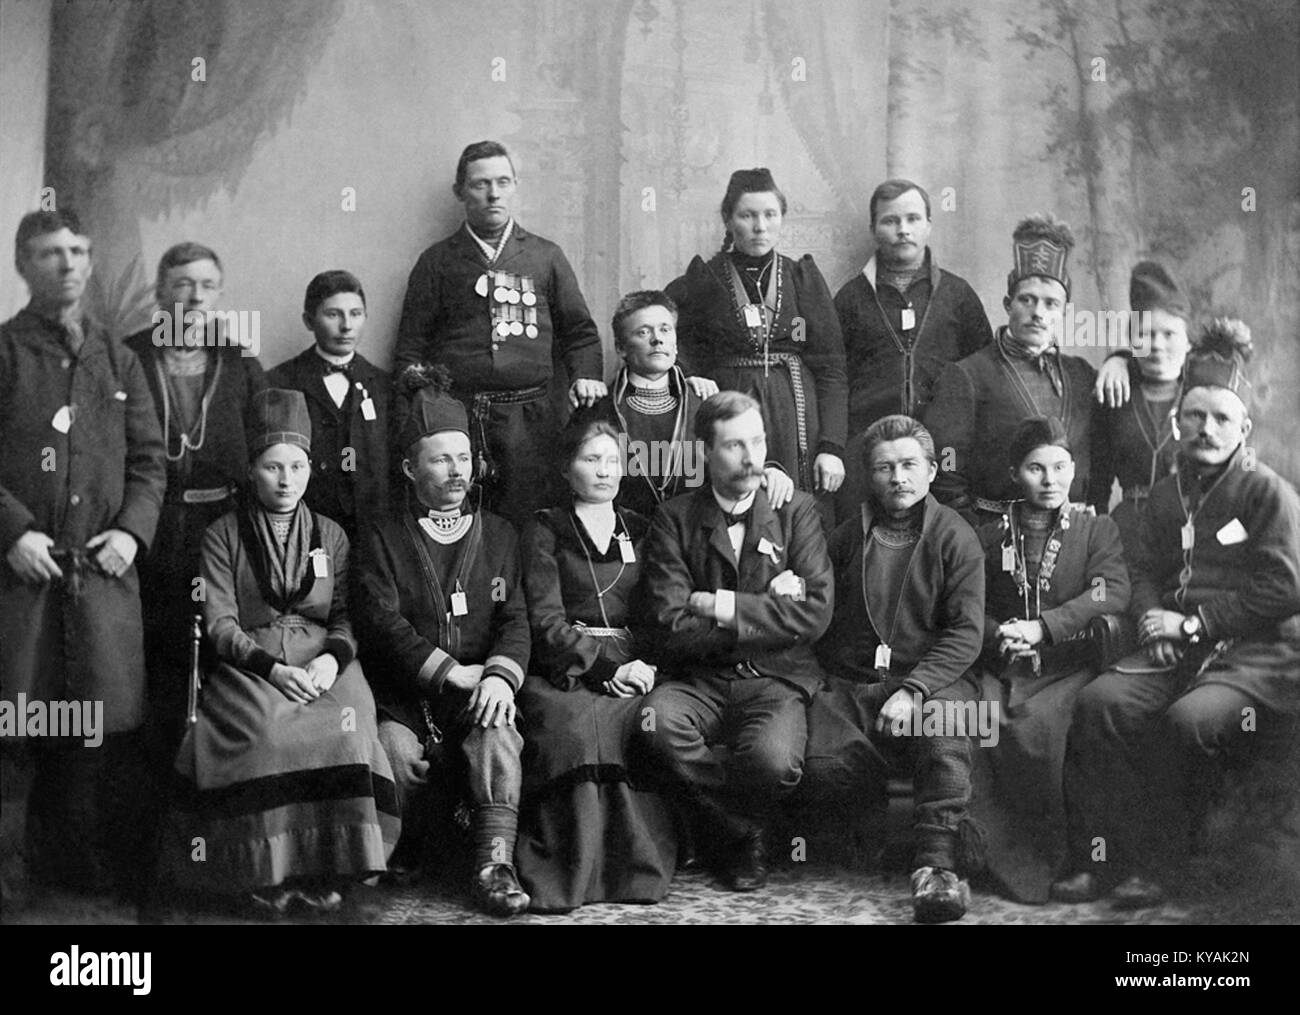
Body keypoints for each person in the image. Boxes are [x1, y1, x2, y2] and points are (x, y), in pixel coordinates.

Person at [1054, 320, 1300, 908]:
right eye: (1195, 416)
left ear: (1243, 427)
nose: (1207, 429)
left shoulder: (1266, 492)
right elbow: (1139, 572)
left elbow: (1287, 586)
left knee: (1187, 723)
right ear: (1177, 423)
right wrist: (1151, 618)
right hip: (1173, 645)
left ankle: (1159, 868)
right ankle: (1097, 861)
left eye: (1221, 418)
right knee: (1099, 705)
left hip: (1253, 655)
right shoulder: (1166, 495)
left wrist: (1194, 624)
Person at [158, 388, 398, 916]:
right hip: (252, 661)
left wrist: (332, 660)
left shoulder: (331, 535)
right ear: (252, 470)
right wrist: (273, 669)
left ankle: (329, 865)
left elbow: (343, 617)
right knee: (265, 736)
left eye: (297, 465)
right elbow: (218, 622)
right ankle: (261, 870)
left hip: (324, 660)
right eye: (272, 467)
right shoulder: (222, 534)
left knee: (351, 726)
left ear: (311, 468)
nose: (286, 479)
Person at [0, 209, 166, 898]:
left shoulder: (118, 356)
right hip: (23, 574)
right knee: (16, 722)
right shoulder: (5, 351)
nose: (66, 264)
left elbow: (151, 461)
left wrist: (130, 531)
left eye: (77, 250)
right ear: (22, 266)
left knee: (91, 728)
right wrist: (12, 532)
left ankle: (73, 863)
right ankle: (10, 866)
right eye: (48, 253)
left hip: (99, 575)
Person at [351, 365, 532, 916]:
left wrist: (499, 677)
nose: (457, 472)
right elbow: (379, 621)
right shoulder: (381, 539)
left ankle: (493, 865)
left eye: (463, 457)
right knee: (397, 755)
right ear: (409, 467)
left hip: (480, 688)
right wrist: (446, 670)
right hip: (406, 695)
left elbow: (516, 620)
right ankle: (411, 850)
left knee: (498, 736)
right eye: (440, 459)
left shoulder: (500, 534)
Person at [635, 391, 833, 891]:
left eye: (758, 442)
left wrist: (720, 604)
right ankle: (738, 835)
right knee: (654, 726)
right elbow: (671, 626)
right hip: (698, 679)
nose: (751, 458)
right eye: (734, 446)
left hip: (775, 678)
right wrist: (768, 606)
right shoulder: (674, 517)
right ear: (704, 451)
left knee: (772, 761)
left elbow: (814, 615)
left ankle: (712, 831)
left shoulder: (798, 512)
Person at [805, 414, 985, 922]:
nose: (898, 478)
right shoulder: (844, 538)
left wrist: (914, 690)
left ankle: (937, 868)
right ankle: (870, 838)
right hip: (856, 680)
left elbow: (966, 632)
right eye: (884, 468)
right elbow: (820, 618)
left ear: (931, 470)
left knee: (947, 731)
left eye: (909, 465)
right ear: (869, 476)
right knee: (818, 761)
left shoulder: (956, 536)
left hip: (934, 679)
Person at [392, 140, 605, 528]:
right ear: (461, 192)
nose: (493, 194)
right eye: (480, 184)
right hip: (458, 417)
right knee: (461, 522)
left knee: (530, 521)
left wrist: (586, 376)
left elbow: (580, 332)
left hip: (532, 420)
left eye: (503, 182)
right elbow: (410, 348)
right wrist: (425, 411)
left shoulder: (545, 256)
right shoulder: (437, 261)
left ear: (514, 186)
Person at [513, 416, 676, 912]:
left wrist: (644, 664)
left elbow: (658, 610)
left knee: (643, 722)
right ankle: (571, 872)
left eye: (613, 460)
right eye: (590, 459)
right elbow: (544, 619)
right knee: (579, 727)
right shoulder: (544, 529)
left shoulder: (643, 527)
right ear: (566, 469)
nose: (604, 471)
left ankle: (636, 869)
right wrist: (607, 669)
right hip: (567, 664)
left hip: (635, 664)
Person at [970, 417, 1129, 904]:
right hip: (1004, 664)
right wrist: (1003, 634)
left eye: (1060, 467)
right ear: (1016, 472)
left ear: (1075, 469)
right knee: (981, 724)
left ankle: (1056, 860)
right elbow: (964, 603)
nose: (1050, 480)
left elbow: (1111, 590)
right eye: (1036, 468)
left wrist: (1044, 628)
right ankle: (990, 859)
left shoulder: (1095, 527)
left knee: (1044, 729)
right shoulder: (987, 533)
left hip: (1067, 664)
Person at [124, 242, 267, 763]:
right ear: (162, 292)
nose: (195, 297)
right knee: (152, 649)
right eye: (183, 284)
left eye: (207, 286)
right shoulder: (129, 357)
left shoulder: (239, 361)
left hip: (221, 525)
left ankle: (213, 769)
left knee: (216, 644)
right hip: (148, 524)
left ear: (220, 295)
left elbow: (263, 450)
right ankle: (153, 773)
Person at [665, 168, 848, 524]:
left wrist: (832, 447)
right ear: (728, 219)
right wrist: (689, 375)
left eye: (770, 215)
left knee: (796, 515)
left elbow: (831, 368)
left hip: (794, 411)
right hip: (729, 408)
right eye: (747, 216)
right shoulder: (705, 277)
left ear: (782, 218)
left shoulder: (802, 278)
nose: (759, 226)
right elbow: (664, 334)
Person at [925, 216, 1097, 528]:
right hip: (999, 533)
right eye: (1027, 300)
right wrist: (973, 534)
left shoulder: (1083, 376)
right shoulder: (969, 375)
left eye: (1051, 303)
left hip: (1074, 535)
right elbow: (945, 465)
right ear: (1008, 304)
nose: (1038, 313)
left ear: (1065, 312)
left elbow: (1104, 455)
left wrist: (1123, 358)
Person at [832, 179, 992, 514]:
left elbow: (984, 369)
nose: (903, 230)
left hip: (942, 453)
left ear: (929, 225)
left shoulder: (958, 295)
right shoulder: (850, 299)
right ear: (873, 228)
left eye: (913, 219)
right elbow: (833, 377)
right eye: (890, 221)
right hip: (869, 452)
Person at [587, 288, 793, 518]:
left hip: (698, 535)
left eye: (665, 329)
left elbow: (745, 453)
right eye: (643, 332)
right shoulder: (600, 408)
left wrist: (770, 471)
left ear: (675, 343)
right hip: (624, 536)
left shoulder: (706, 401)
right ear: (621, 348)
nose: (657, 339)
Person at [268, 269, 390, 539]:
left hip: (372, 530)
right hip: (305, 525)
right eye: (333, 314)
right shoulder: (280, 382)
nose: (346, 326)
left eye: (356, 314)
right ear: (309, 321)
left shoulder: (385, 387)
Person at [1089, 261, 1191, 552]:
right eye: (1145, 335)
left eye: (1169, 334)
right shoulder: (1115, 393)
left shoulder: (1202, 393)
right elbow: (1099, 476)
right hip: (1130, 528)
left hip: (1189, 524)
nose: (1157, 345)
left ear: (1187, 342)